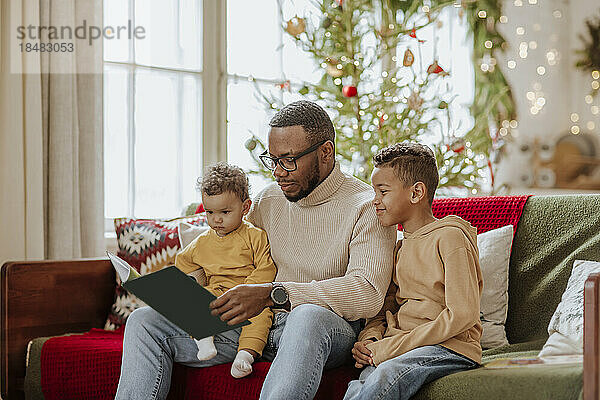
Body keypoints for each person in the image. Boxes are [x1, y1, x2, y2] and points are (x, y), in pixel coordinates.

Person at [114, 100, 396, 400]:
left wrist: (276, 293)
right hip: (255, 326)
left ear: (325, 152)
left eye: (288, 160)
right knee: (143, 321)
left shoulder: (367, 205)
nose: (277, 172)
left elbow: (367, 293)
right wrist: (192, 282)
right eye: (272, 160)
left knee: (306, 316)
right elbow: (232, 251)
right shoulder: (269, 200)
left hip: (324, 329)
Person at [343, 143, 483, 400]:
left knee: (385, 376)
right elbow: (384, 307)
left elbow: (462, 314)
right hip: (403, 347)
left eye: (383, 191)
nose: (375, 201)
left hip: (449, 347)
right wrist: (372, 339)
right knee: (363, 381)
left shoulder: (450, 238)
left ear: (417, 192)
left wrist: (391, 348)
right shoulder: (398, 247)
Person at [175, 162, 276, 378]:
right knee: (195, 305)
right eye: (210, 212)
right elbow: (183, 264)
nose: (216, 219)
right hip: (216, 294)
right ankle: (204, 340)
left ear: (245, 207)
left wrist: (245, 289)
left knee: (261, 317)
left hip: (248, 297)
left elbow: (266, 269)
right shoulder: (201, 242)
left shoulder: (254, 236)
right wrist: (194, 284)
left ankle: (245, 356)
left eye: (225, 212)